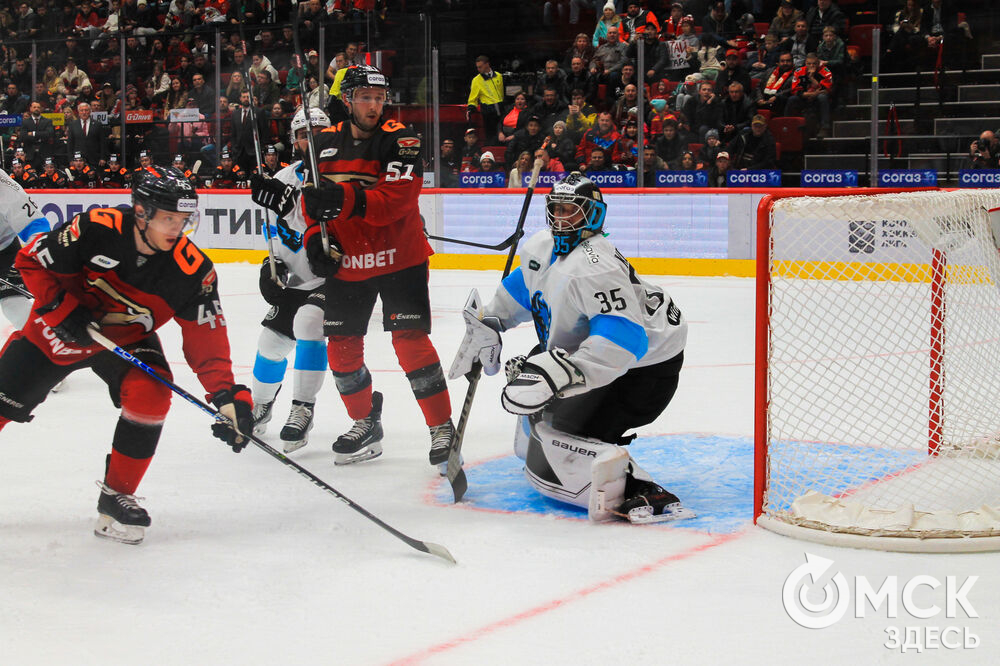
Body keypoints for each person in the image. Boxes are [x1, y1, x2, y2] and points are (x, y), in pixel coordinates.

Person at [0, 167, 252, 545]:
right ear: (141, 212)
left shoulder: (193, 270)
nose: (176, 229)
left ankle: (116, 496)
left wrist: (226, 395)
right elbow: (31, 261)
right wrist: (57, 307)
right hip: (56, 330)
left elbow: (207, 338)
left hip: (125, 341)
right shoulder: (96, 227)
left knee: (153, 393)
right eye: (168, 218)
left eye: (184, 220)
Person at [449, 172, 692, 524]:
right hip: (601, 347)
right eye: (557, 209)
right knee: (542, 390)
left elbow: (626, 339)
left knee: (569, 431)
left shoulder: (595, 267)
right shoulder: (542, 246)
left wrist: (567, 373)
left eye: (572, 211)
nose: (562, 218)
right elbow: (525, 287)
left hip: (645, 366)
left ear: (593, 215)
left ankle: (638, 486)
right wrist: (493, 321)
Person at [299, 65, 455, 469]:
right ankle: (364, 422)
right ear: (346, 100)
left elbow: (396, 202)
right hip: (349, 260)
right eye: (365, 97)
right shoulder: (322, 142)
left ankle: (441, 428)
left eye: (379, 98)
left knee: (409, 342)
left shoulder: (402, 140)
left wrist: (342, 199)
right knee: (342, 351)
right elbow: (311, 203)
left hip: (399, 257)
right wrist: (314, 239)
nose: (374, 105)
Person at [247, 107, 332, 453]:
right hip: (296, 281)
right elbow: (274, 235)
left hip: (332, 281)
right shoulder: (281, 179)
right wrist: (271, 267)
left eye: (318, 131)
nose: (309, 139)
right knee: (270, 345)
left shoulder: (341, 177)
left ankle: (302, 409)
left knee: (309, 326)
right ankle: (261, 406)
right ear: (293, 140)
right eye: (302, 134)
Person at [0, 168, 49, 329]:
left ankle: (41, 340)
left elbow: (37, 227)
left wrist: (26, 260)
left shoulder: (5, 188)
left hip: (4, 251)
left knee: (13, 303)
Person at [467, 55, 504, 141]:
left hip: (500, 107)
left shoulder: (498, 76)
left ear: (487, 64)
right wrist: (471, 107)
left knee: (502, 132)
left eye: (480, 67)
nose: (478, 69)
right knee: (490, 134)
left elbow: (501, 92)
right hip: (488, 109)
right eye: (477, 67)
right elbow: (473, 97)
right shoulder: (476, 80)